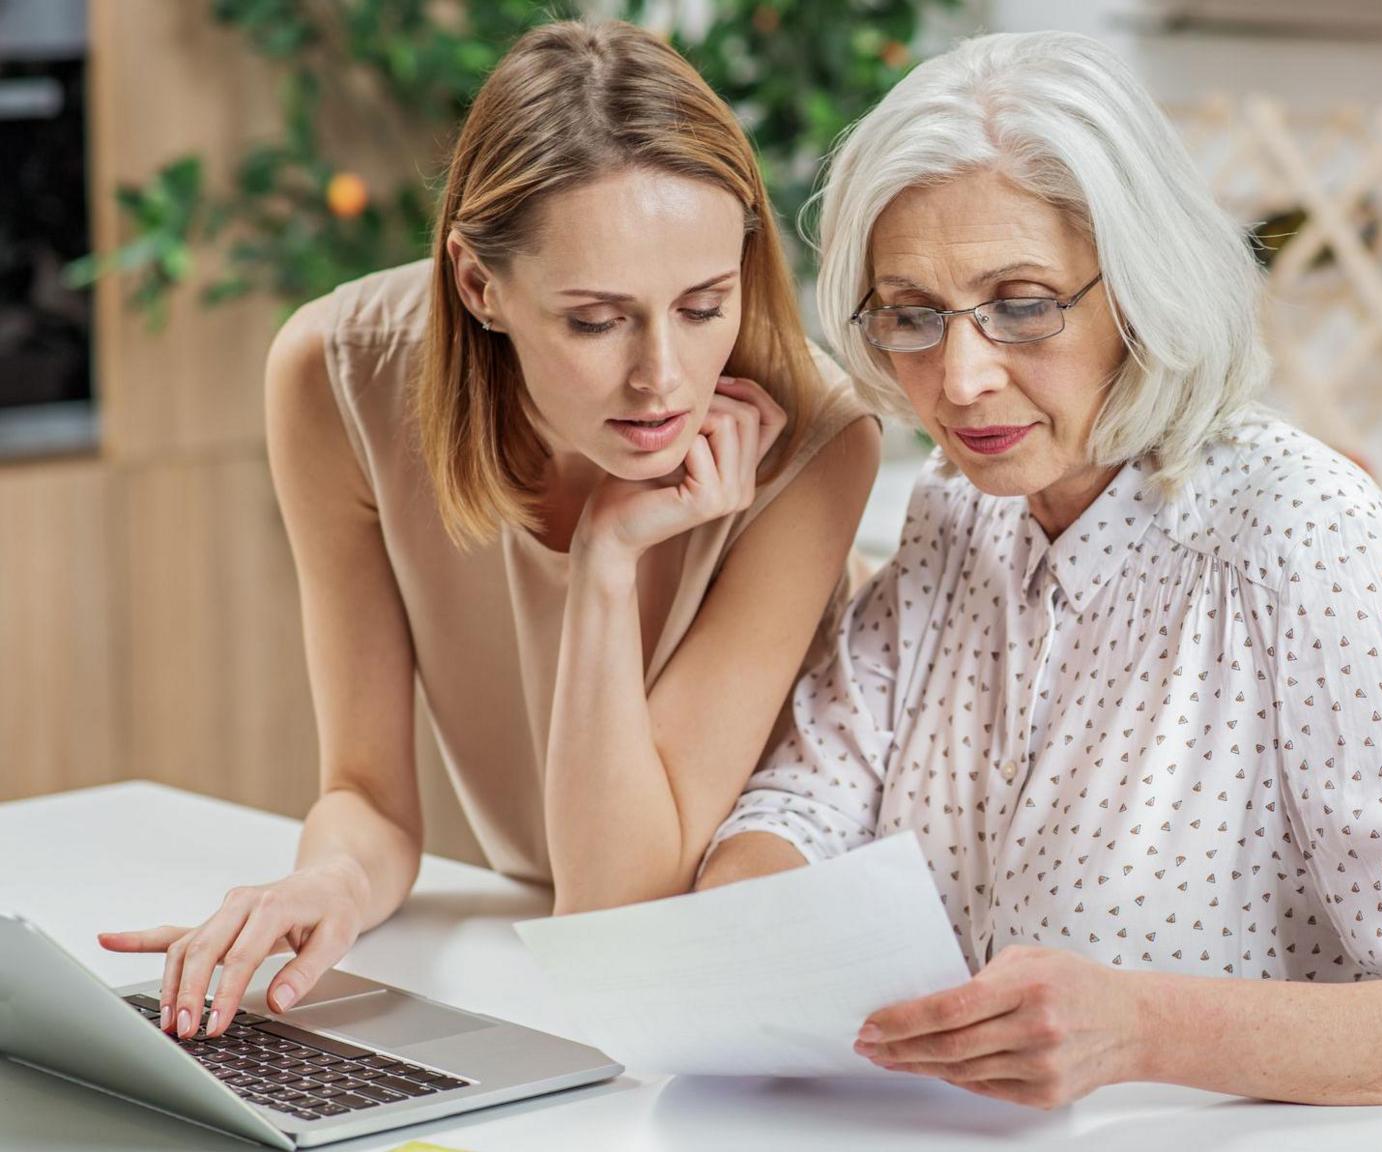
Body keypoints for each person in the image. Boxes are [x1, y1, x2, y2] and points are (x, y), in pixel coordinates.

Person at [696, 31, 1382, 1133]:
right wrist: (738, 929)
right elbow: (806, 798)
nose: (960, 375)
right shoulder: (956, 504)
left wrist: (1140, 1027)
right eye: (911, 314)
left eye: (1021, 303)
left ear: (1138, 287)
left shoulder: (1298, 536)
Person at [100, 19, 880, 1044]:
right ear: (478, 284)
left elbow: (621, 915)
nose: (663, 377)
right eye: (595, 320)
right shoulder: (340, 381)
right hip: (541, 961)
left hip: (735, 992)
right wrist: (329, 878)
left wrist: (605, 562)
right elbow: (368, 796)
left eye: (702, 305)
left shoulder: (813, 443)